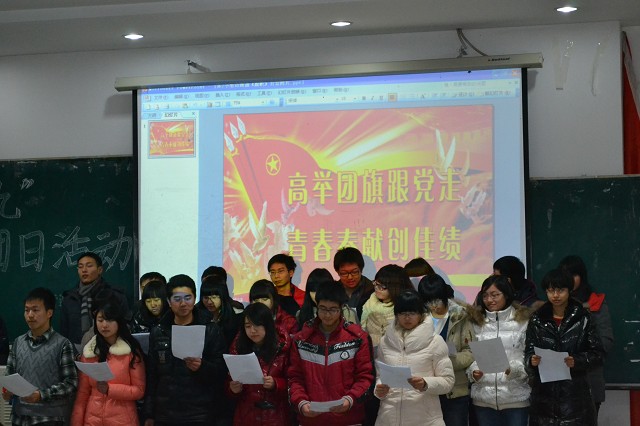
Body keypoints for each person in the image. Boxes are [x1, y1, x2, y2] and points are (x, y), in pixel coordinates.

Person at [144, 274, 227, 426]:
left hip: (199, 413)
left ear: (194, 299)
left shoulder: (210, 329)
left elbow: (221, 371)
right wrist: (149, 413)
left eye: (188, 298)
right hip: (165, 412)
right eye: (177, 299)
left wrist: (202, 367)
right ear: (168, 301)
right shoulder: (159, 331)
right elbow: (152, 374)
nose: (183, 303)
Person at [289, 280, 374, 426]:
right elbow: (294, 378)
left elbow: (365, 377)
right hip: (311, 419)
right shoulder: (302, 339)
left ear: (342, 308)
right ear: (316, 306)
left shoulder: (357, 338)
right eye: (322, 309)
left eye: (333, 309)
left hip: (348, 419)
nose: (327, 315)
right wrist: (301, 403)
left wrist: (350, 400)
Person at [525, 268, 604, 426]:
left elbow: (597, 354)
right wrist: (531, 360)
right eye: (551, 291)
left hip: (575, 398)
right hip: (544, 399)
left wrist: (577, 361)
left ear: (569, 290)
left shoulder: (583, 318)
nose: (555, 295)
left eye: (560, 290)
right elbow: (529, 350)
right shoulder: (537, 319)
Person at [374, 291, 455, 426]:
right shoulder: (385, 342)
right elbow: (380, 375)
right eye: (402, 313)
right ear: (396, 315)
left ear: (421, 314)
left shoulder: (435, 342)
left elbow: (448, 381)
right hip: (388, 418)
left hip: (425, 419)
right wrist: (379, 389)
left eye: (412, 313)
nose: (407, 318)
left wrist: (425, 383)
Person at [3, 287, 78, 426]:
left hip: (48, 419)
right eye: (27, 310)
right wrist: (7, 391)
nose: (30, 315)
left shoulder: (62, 344)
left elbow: (71, 384)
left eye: (35, 310)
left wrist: (41, 395)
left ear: (49, 313)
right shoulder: (18, 342)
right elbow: (9, 376)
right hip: (19, 418)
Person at [466, 275, 531, 426]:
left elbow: (529, 355)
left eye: (495, 295)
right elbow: (470, 354)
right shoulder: (476, 322)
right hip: (483, 399)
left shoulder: (522, 321)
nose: (489, 300)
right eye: (485, 296)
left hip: (515, 397)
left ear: (506, 295)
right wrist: (474, 371)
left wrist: (514, 370)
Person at [71, 299, 146, 426]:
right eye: (100, 320)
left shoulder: (130, 352)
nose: (104, 325)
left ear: (119, 322)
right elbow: (83, 394)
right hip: (92, 420)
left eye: (109, 320)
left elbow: (139, 390)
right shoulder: (90, 352)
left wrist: (110, 389)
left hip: (123, 420)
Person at [418, 274, 477, 426]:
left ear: (444, 296)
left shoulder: (461, 316)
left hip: (454, 390)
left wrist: (448, 362)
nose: (433, 305)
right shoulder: (419, 317)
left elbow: (471, 351)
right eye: (428, 301)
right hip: (426, 388)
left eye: (436, 300)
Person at [558, 254, 613, 415]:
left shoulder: (596, 303)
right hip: (558, 386)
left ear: (581, 277)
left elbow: (606, 342)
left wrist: (577, 352)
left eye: (573, 275)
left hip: (588, 383)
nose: (569, 280)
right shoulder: (552, 306)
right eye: (565, 275)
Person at [227, 303, 291, 426]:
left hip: (275, 416)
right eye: (248, 326)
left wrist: (276, 384)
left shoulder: (283, 348)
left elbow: (294, 382)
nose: (252, 330)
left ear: (267, 324)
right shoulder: (237, 349)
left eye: (257, 325)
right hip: (246, 415)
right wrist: (233, 389)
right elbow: (228, 383)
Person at [61, 252, 130, 345]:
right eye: (80, 267)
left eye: (89, 266)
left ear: (100, 270)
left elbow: (126, 326)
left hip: (111, 347)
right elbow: (64, 332)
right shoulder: (70, 298)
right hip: (77, 349)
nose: (84, 270)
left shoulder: (114, 295)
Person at [361, 264, 414, 348]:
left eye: (382, 286)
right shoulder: (368, 302)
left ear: (396, 287)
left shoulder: (408, 308)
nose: (376, 288)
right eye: (375, 283)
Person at [196, 274, 243, 351]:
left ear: (223, 296)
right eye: (206, 298)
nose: (209, 302)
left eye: (214, 297)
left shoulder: (236, 317)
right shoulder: (197, 316)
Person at [333, 247, 374, 320]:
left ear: (361, 269)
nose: (350, 277)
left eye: (354, 272)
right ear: (337, 272)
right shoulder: (333, 291)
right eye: (344, 273)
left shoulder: (372, 289)